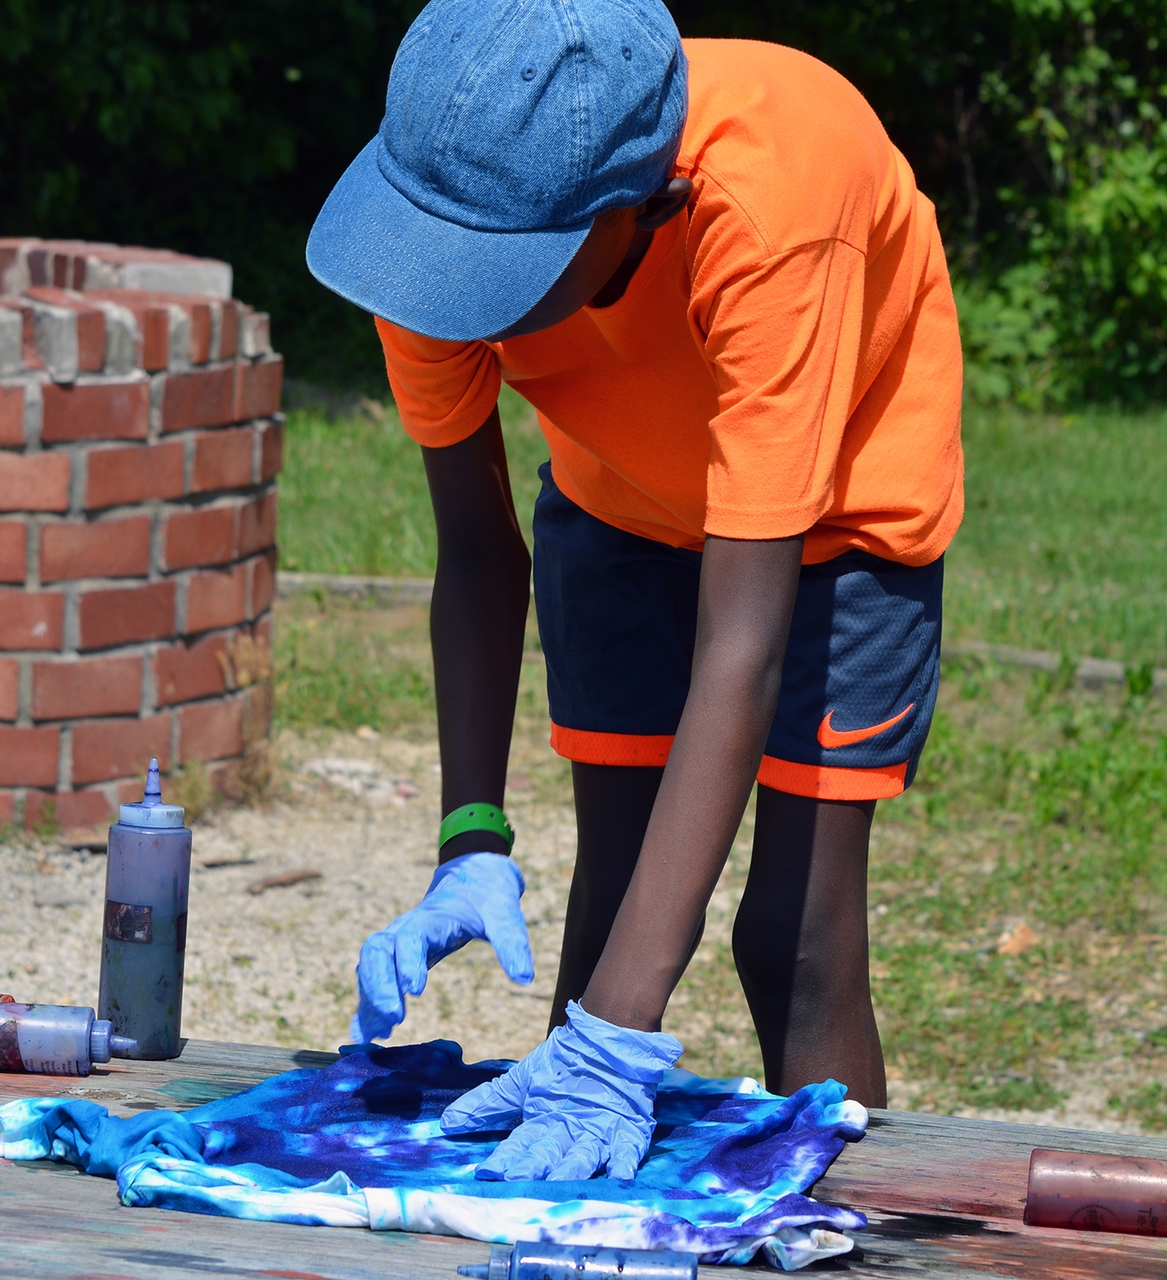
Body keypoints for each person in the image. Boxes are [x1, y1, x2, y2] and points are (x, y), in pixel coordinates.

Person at [306, 0, 962, 1183]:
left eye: (494, 271)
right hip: (612, 501)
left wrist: (613, 1040)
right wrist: (470, 834)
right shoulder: (439, 221)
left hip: (836, 518)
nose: (449, 299)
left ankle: (834, 1227)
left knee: (794, 936)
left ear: (640, 213)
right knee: (610, 900)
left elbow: (742, 647)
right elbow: (475, 543)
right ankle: (545, 1219)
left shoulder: (770, 207)